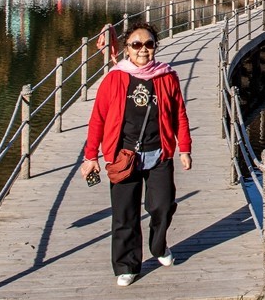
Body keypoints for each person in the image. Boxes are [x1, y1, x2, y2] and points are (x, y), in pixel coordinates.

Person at [79, 22, 193, 287]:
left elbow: (179, 114)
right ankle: (126, 265)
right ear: (126, 49)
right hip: (123, 156)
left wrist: (184, 148)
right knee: (124, 215)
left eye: (149, 44)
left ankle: (159, 245)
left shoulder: (167, 76)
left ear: (155, 47)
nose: (143, 50)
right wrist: (90, 156)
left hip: (159, 153)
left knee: (162, 206)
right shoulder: (114, 78)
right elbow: (98, 119)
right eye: (136, 45)